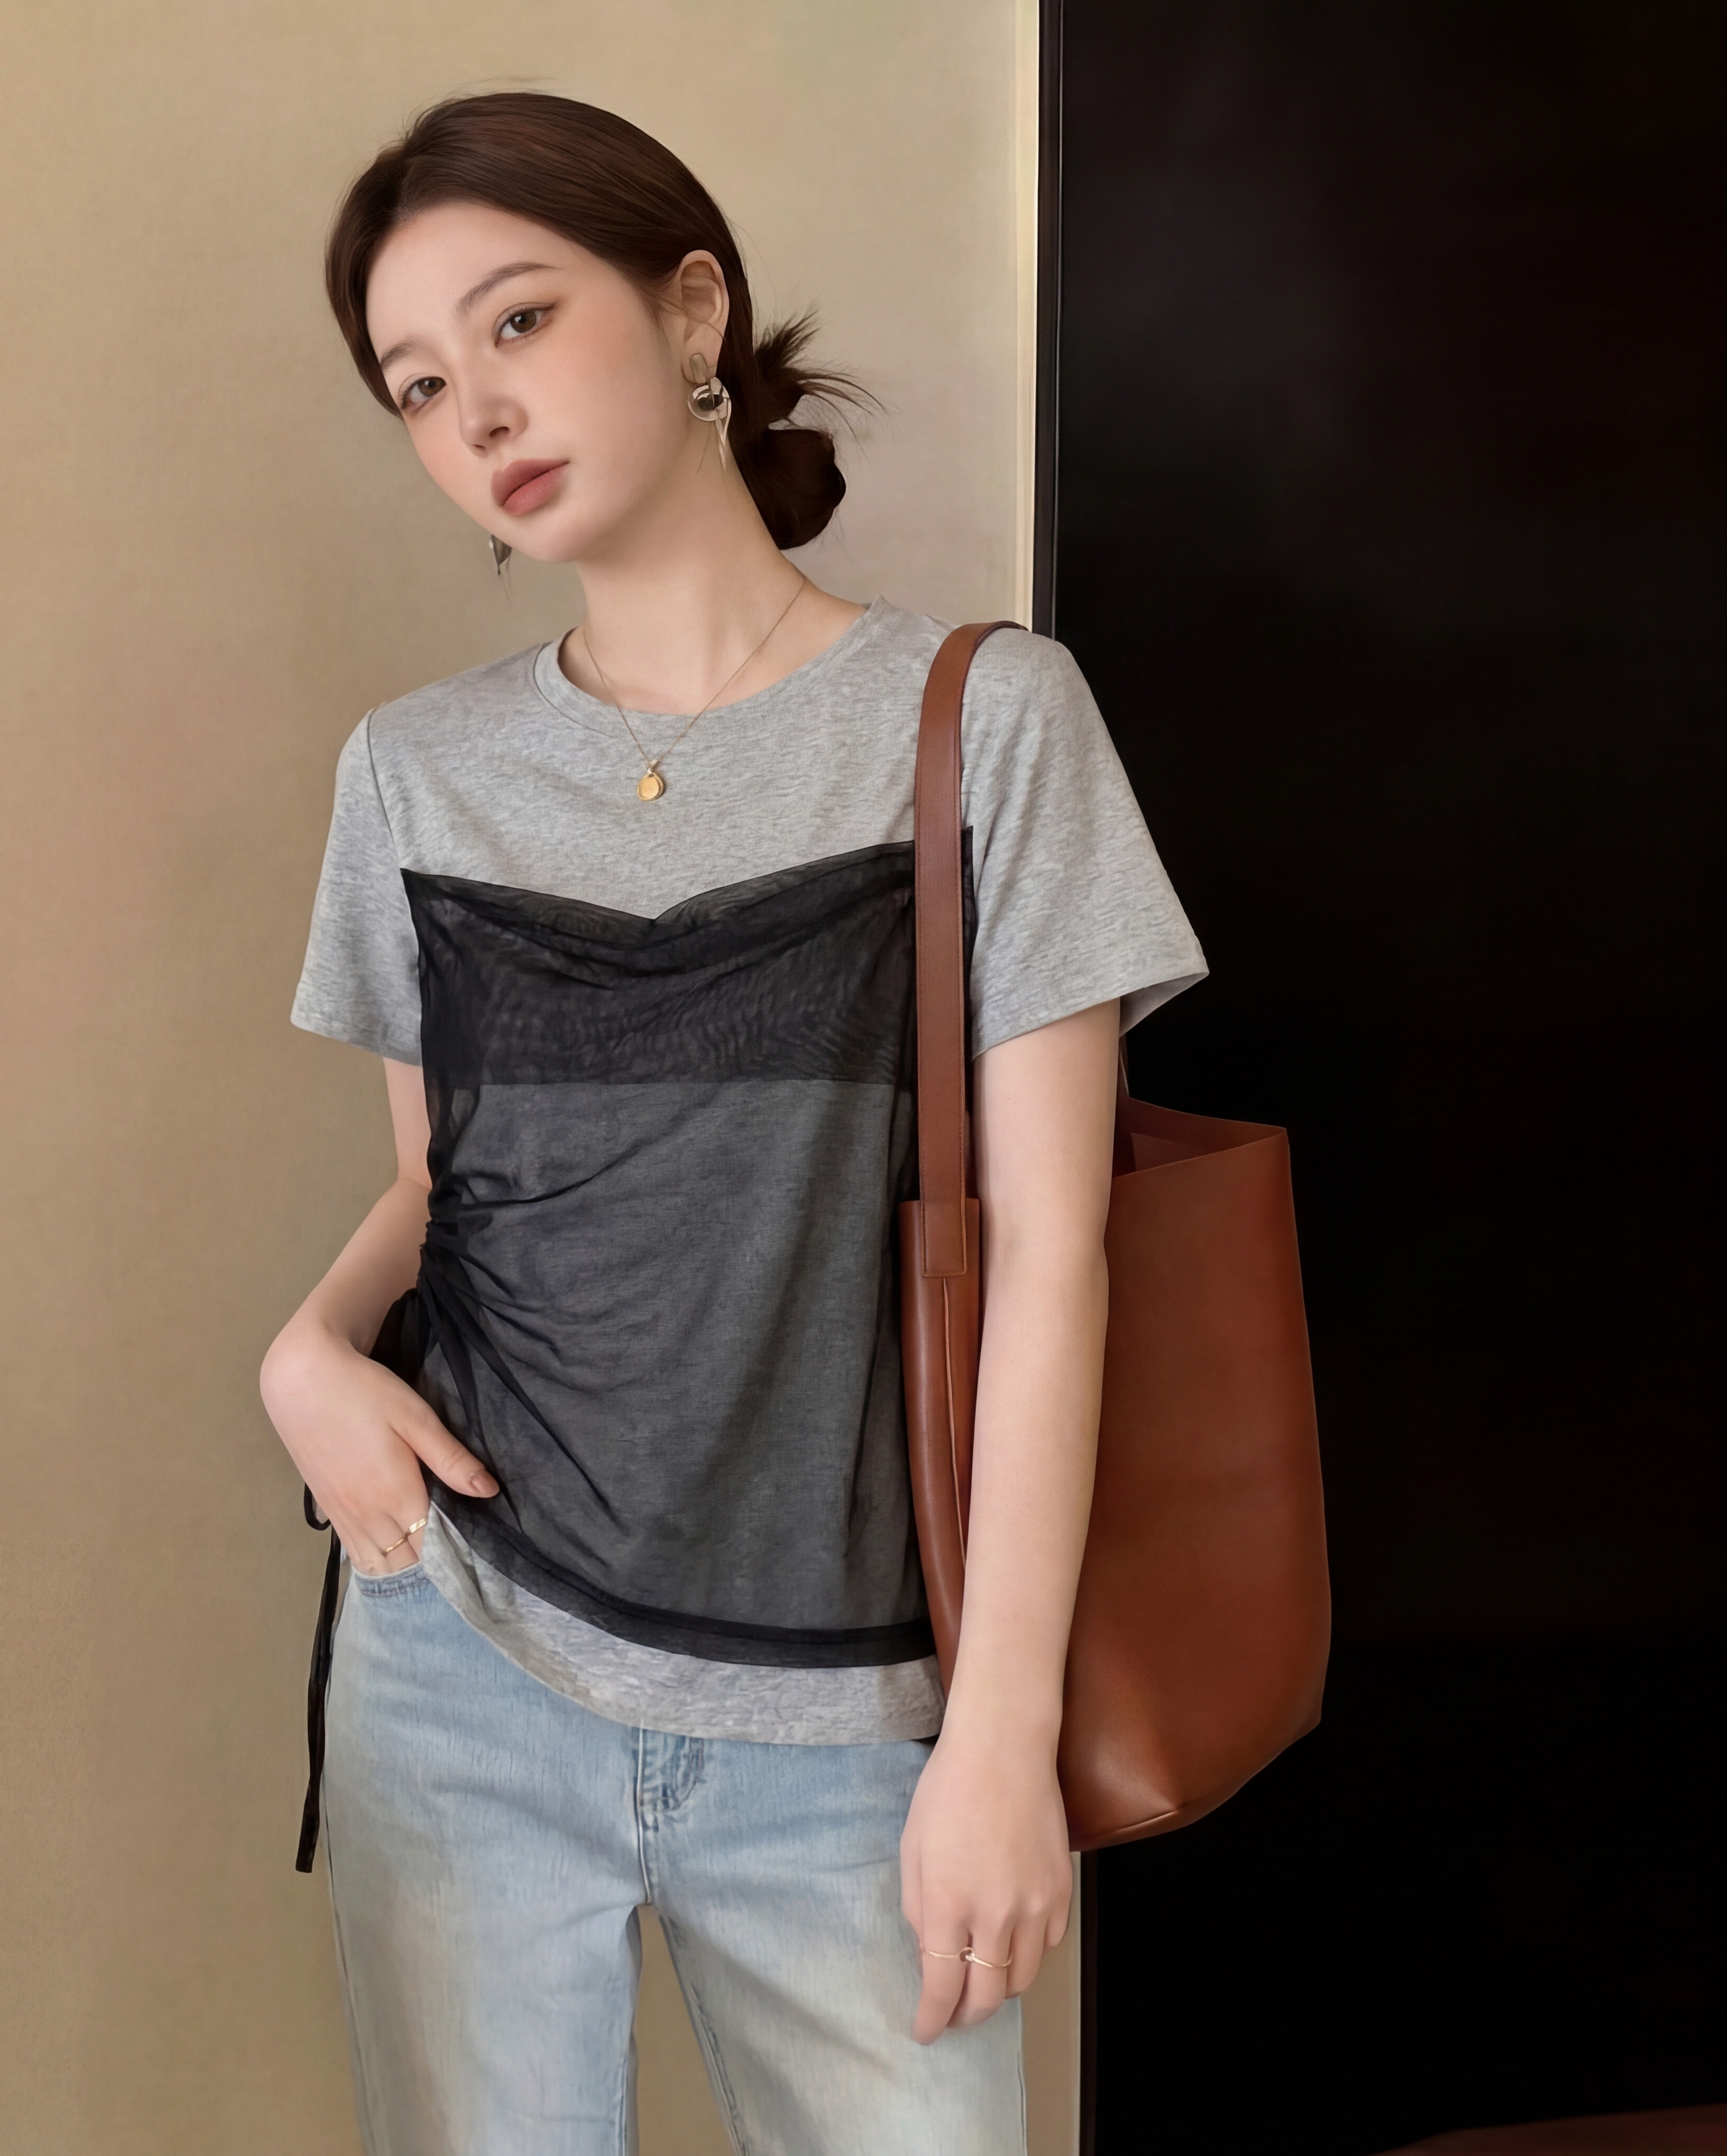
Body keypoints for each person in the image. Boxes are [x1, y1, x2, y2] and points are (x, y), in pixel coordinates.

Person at [261, 89, 1206, 2156]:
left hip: (854, 1721)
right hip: (459, 1667)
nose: (475, 412)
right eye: (417, 384)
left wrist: (1001, 1739)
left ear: (693, 309)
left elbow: (1055, 1260)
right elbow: (445, 1185)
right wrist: (306, 1354)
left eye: (519, 321)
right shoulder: (418, 773)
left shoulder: (987, 719)